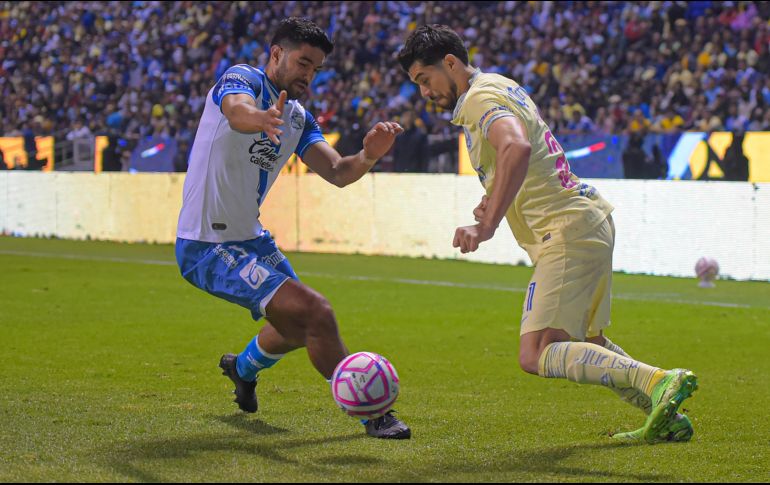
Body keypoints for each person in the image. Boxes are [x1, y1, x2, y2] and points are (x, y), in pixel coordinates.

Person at [398, 25, 697, 444]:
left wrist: (487, 224)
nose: (425, 92)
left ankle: (660, 381)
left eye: (424, 79)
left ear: (450, 63)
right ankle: (663, 414)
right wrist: (493, 199)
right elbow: (526, 155)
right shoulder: (499, 85)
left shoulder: (480, 97)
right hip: (585, 220)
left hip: (566, 230)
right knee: (588, 341)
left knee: (535, 352)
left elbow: (516, 148)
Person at [176, 18, 410, 439]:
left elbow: (337, 171)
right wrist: (260, 118)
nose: (308, 75)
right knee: (315, 313)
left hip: (250, 238)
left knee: (297, 325)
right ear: (276, 54)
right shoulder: (242, 79)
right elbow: (236, 112)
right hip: (206, 244)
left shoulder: (299, 118)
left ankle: (241, 368)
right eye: (303, 63)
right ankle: (372, 413)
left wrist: (368, 156)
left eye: (315, 68)